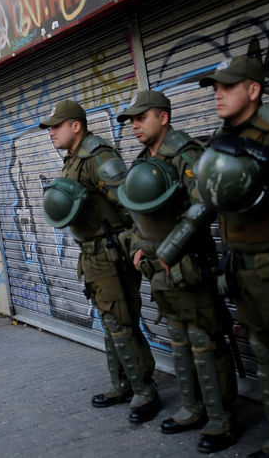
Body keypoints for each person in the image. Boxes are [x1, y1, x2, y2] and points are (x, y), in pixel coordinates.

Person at [157, 56, 269, 457]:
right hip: (242, 267)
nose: (217, 95)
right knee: (265, 355)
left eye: (227, 87)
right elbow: (204, 199)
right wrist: (170, 249)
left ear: (253, 90)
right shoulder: (225, 135)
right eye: (214, 88)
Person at [116, 90, 238, 452]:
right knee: (179, 339)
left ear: (163, 118)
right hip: (158, 269)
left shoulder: (186, 153)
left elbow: (205, 204)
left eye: (142, 118)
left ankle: (221, 419)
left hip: (190, 266)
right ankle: (192, 407)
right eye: (131, 120)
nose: (135, 125)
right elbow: (135, 210)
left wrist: (171, 249)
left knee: (205, 340)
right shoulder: (142, 159)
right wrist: (136, 246)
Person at [39, 100, 161, 425]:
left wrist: (137, 243)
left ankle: (144, 391)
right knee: (110, 322)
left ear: (75, 126)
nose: (51, 132)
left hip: (110, 253)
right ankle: (122, 385)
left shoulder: (97, 157)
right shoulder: (74, 160)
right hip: (92, 255)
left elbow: (131, 200)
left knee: (121, 322)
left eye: (56, 126)